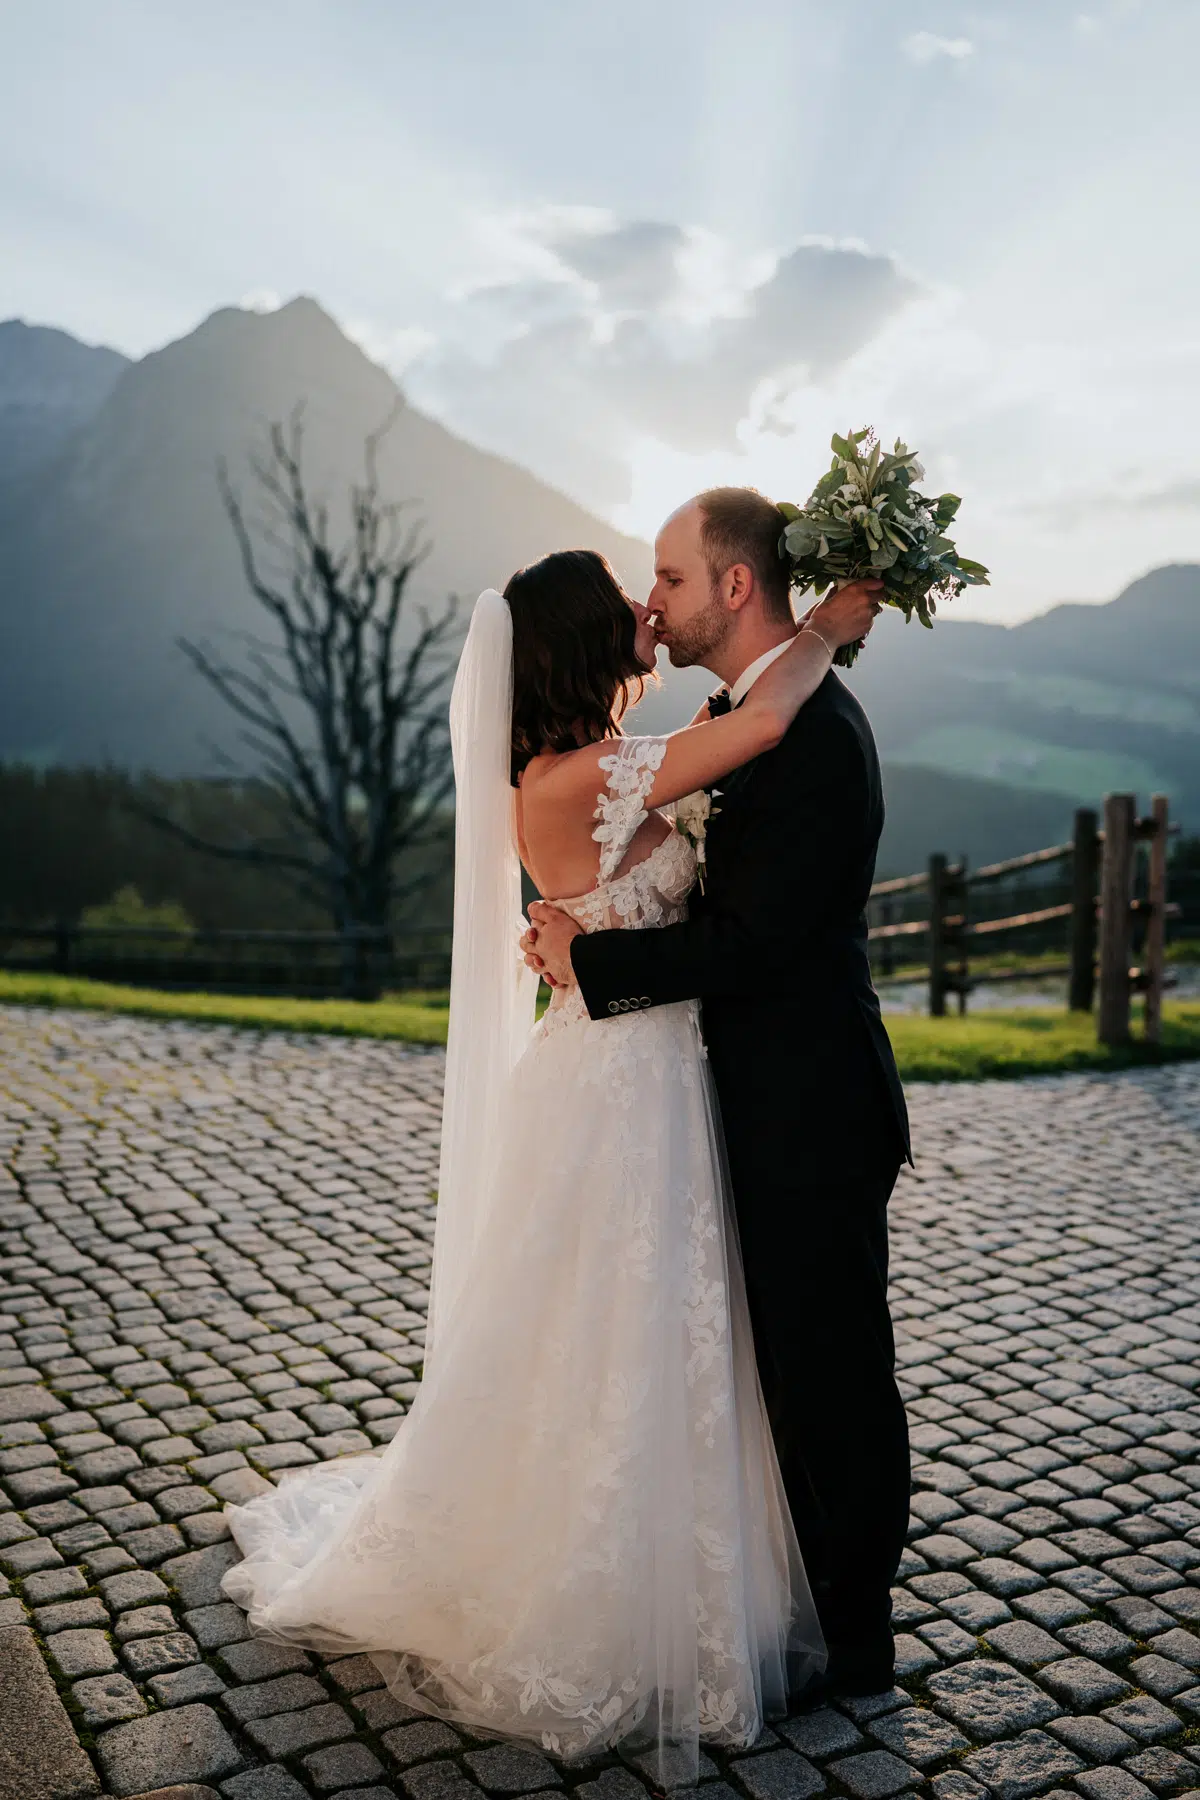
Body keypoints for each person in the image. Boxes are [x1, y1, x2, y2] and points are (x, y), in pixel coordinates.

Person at [221, 546, 880, 1780]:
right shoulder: (585, 775)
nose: (649, 604)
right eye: (626, 597)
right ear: (584, 641)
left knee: (630, 1326)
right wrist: (833, 623)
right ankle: (612, 1594)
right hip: (626, 1087)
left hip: (640, 1064)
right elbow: (768, 715)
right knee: (619, 1327)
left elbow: (705, 757)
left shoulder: (585, 769)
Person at [523, 491, 912, 1699]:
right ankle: (747, 1589)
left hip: (808, 1108)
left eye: (672, 578)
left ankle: (854, 1633)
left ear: (736, 587)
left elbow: (748, 948)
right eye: (642, 587)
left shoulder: (811, 737)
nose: (656, 600)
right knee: (737, 1362)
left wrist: (588, 956)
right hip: (695, 1102)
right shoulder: (718, 723)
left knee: (831, 1365)